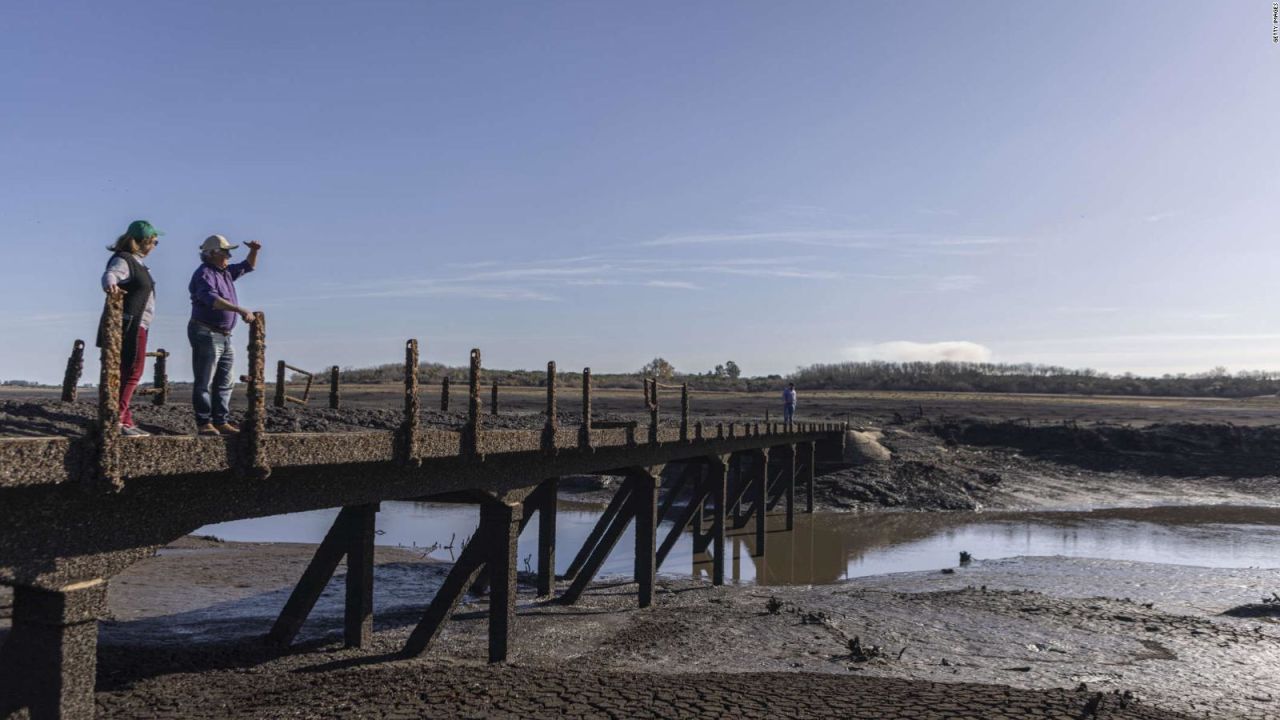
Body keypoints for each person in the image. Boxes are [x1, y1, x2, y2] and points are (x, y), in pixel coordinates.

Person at [188, 234, 261, 435]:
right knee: (205, 379)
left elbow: (248, 266)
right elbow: (211, 299)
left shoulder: (225, 272)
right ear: (211, 254)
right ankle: (204, 422)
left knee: (225, 380)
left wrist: (254, 251)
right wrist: (239, 310)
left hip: (224, 334)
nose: (229, 255)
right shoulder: (204, 274)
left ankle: (221, 420)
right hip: (206, 332)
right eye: (225, 251)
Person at [98, 220, 162, 436]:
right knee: (132, 370)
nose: (155, 245)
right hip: (129, 326)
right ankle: (118, 419)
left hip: (138, 324)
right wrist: (110, 285)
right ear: (144, 242)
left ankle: (124, 418)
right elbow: (112, 274)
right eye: (154, 241)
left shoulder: (137, 262)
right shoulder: (124, 259)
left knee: (129, 371)